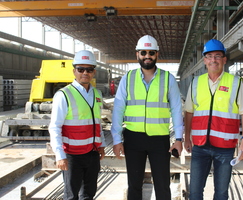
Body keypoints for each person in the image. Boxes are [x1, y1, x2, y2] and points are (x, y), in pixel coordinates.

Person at [111, 35, 184, 200]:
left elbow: (176, 110)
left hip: (159, 140)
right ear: (137, 54)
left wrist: (179, 138)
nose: (147, 56)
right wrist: (116, 139)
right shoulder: (128, 78)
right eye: (143, 52)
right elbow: (118, 110)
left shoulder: (168, 79)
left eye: (151, 52)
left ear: (157, 54)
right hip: (133, 139)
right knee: (134, 185)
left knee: (162, 185)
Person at [184, 39, 243, 200]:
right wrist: (186, 137)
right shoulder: (196, 83)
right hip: (200, 146)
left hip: (225, 147)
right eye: (209, 56)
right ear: (204, 60)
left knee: (221, 193)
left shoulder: (235, 82)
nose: (213, 60)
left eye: (217, 56)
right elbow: (189, 112)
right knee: (195, 193)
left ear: (224, 59)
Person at [49, 50, 106, 200]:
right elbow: (55, 127)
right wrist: (60, 155)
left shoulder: (97, 94)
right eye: (81, 69)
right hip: (72, 156)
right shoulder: (64, 95)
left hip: (92, 153)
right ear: (74, 70)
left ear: (94, 72)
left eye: (89, 69)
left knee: (89, 194)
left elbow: (97, 122)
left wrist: (101, 144)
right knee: (71, 195)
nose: (85, 73)